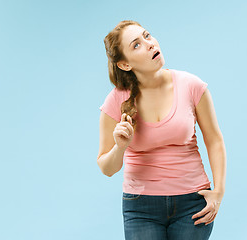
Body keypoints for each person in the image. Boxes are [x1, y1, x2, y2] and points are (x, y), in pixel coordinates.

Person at [97, 20, 227, 240]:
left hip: (193, 203)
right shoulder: (116, 101)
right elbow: (107, 168)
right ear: (125, 64)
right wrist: (120, 147)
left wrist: (219, 192)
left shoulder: (192, 86)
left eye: (147, 36)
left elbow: (214, 140)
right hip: (141, 208)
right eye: (136, 45)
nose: (149, 44)